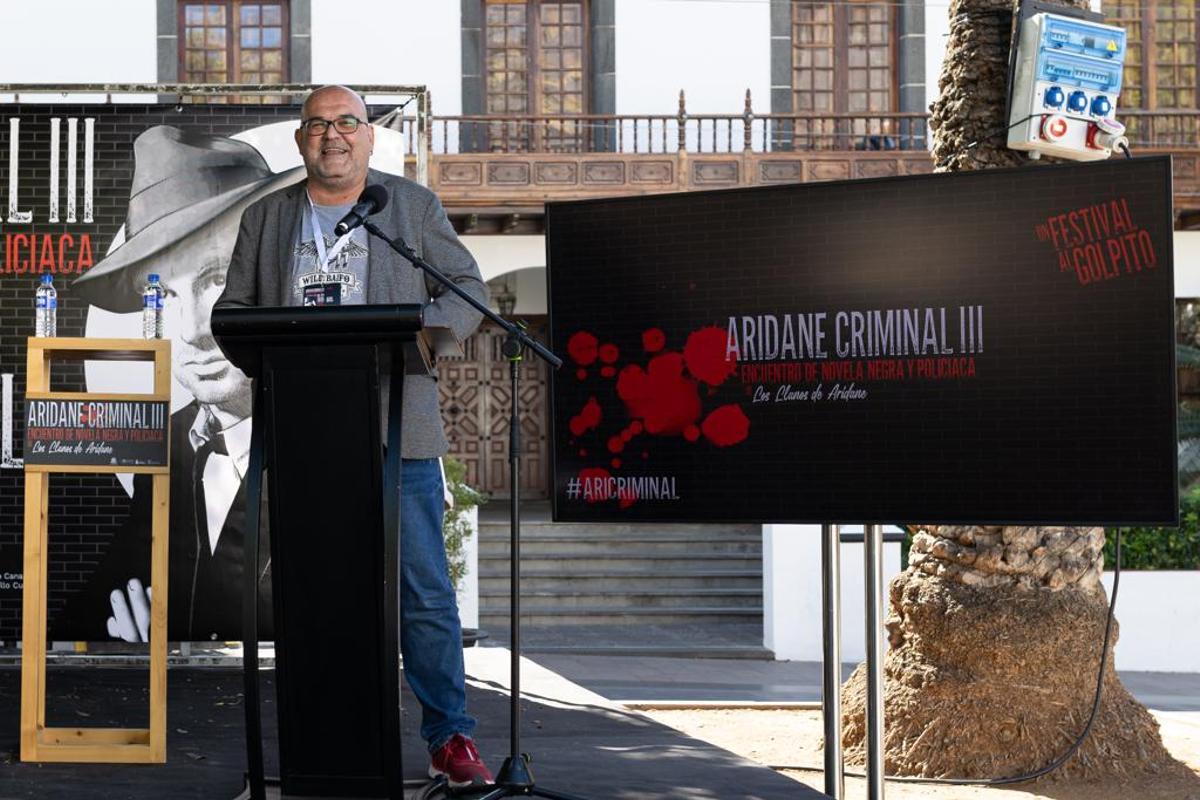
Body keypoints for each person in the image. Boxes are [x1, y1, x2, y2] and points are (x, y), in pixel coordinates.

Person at [215, 85, 492, 788]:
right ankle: (316, 741)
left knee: (423, 591)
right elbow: (233, 312)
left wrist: (426, 340)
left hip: (400, 428)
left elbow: (466, 290)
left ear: (368, 137)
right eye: (317, 124)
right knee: (314, 593)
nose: (331, 135)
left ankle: (449, 739)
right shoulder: (268, 217)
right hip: (307, 432)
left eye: (346, 122)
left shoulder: (409, 207)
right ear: (301, 140)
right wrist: (272, 361)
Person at [69, 125, 302, 642]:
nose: (193, 330)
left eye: (216, 279)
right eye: (164, 296)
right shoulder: (165, 446)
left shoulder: (320, 436)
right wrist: (126, 630)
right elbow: (116, 592)